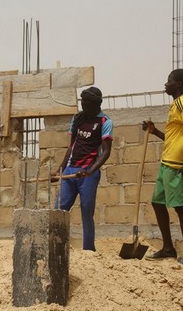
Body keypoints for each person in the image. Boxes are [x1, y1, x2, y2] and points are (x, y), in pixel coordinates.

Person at [143, 69, 183, 264]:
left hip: (177, 166)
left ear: (178, 84)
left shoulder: (182, 102)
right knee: (157, 203)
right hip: (166, 164)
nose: (165, 84)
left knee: (181, 207)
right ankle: (168, 248)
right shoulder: (174, 105)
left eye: (169, 81)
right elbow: (174, 137)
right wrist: (155, 132)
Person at [50, 87, 113, 251]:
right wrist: (60, 171)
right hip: (71, 171)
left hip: (88, 174)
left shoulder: (105, 122)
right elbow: (70, 147)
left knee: (86, 212)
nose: (83, 107)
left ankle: (88, 251)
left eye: (86, 104)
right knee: (58, 211)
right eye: (82, 103)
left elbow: (106, 152)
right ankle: (55, 247)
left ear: (95, 104)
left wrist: (90, 170)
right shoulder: (77, 118)